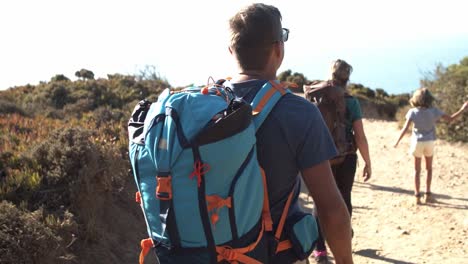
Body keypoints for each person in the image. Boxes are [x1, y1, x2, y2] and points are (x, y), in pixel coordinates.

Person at [228, 4, 353, 264]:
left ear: (231, 51)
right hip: (271, 254)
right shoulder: (298, 112)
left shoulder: (202, 105)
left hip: (205, 251)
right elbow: (330, 209)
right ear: (278, 49)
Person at [310, 59, 372, 263]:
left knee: (320, 200)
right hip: (346, 156)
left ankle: (320, 251)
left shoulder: (315, 95)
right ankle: (343, 242)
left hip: (320, 156)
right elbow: (360, 136)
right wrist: (367, 161)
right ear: (347, 78)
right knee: (343, 198)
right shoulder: (351, 101)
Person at [394, 88, 467, 204]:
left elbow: (405, 128)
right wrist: (462, 109)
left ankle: (417, 196)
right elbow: (451, 119)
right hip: (429, 142)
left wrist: (397, 141)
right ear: (430, 99)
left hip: (417, 142)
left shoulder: (412, 112)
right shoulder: (434, 111)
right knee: (429, 169)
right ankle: (428, 195)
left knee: (417, 171)